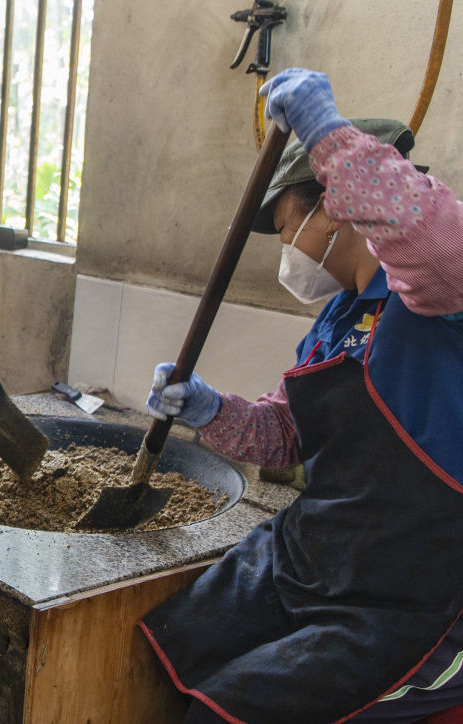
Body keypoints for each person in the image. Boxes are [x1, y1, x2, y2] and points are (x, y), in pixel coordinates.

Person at [139, 68, 463, 723]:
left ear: (337, 207)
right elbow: (286, 433)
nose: (287, 247)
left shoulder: (436, 297)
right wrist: (212, 411)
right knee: (179, 642)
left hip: (409, 599)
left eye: (289, 226)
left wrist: (328, 137)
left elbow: (432, 235)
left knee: (223, 713)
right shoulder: (338, 319)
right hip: (317, 559)